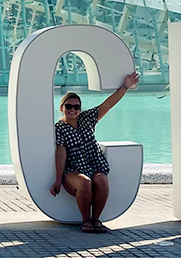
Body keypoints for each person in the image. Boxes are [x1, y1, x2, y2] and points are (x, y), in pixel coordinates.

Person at [49, 71, 140, 233]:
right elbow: (61, 153)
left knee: (102, 179)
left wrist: (125, 87)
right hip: (73, 170)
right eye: (68, 106)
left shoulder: (87, 118)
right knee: (85, 182)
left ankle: (96, 220)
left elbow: (107, 105)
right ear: (61, 107)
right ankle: (86, 221)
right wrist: (57, 180)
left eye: (76, 107)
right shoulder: (59, 127)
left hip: (94, 165)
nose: (72, 110)